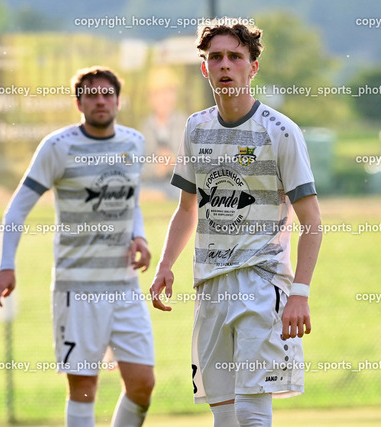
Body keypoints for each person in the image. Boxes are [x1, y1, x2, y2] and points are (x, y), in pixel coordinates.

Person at [149, 19, 322, 427]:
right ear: (204, 68)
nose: (225, 65)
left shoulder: (280, 132)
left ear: (253, 67)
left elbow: (312, 220)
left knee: (251, 413)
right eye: (215, 57)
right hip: (209, 287)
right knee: (224, 417)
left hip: (261, 284)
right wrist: (165, 264)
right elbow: (187, 209)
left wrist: (300, 292)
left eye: (235, 57)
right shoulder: (196, 128)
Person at [0, 66, 155, 427]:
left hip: (125, 287)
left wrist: (139, 236)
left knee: (143, 384)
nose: (101, 101)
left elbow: (131, 201)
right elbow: (16, 209)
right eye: (91, 95)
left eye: (107, 94)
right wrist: (6, 265)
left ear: (118, 101)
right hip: (77, 289)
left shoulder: (134, 142)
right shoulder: (57, 147)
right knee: (83, 388)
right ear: (79, 103)